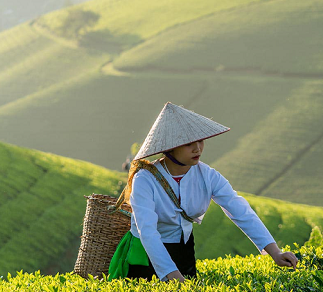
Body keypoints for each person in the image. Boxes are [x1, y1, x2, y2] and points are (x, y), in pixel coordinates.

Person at [108, 102, 297, 281]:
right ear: (170, 148)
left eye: (200, 141)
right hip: (146, 254)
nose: (197, 148)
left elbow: (239, 210)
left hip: (184, 250)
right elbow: (147, 231)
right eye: (189, 143)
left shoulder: (206, 175)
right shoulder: (145, 180)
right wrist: (170, 273)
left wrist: (276, 253)